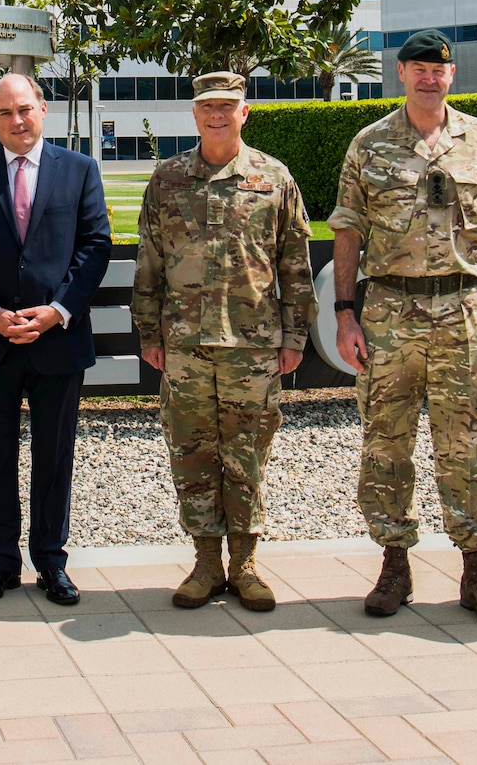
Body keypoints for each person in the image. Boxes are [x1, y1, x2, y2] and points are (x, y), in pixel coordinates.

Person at [330, 29, 477, 627]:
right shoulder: (369, 144)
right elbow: (348, 231)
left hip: (462, 310)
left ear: (452, 75)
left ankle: (476, 569)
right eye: (418, 68)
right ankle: (394, 564)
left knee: (466, 443)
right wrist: (345, 313)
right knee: (386, 442)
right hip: (388, 311)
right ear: (400, 73)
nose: (428, 78)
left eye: (438, 70)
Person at [132, 71, 315, 611]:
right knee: (191, 452)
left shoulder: (273, 178)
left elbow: (295, 264)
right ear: (194, 114)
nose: (216, 114)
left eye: (226, 106)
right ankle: (207, 562)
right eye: (207, 106)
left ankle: (246, 563)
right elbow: (150, 263)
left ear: (244, 112)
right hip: (185, 345)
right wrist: (149, 332)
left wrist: (295, 334)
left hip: (253, 345)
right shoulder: (167, 180)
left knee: (248, 454)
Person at [0, 72, 112, 605]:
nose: (17, 120)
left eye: (25, 109)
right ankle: (0, 563)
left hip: (57, 339)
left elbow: (95, 246)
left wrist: (58, 310)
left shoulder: (80, 170)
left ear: (44, 109)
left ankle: (51, 562)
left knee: (54, 455)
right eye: (5, 112)